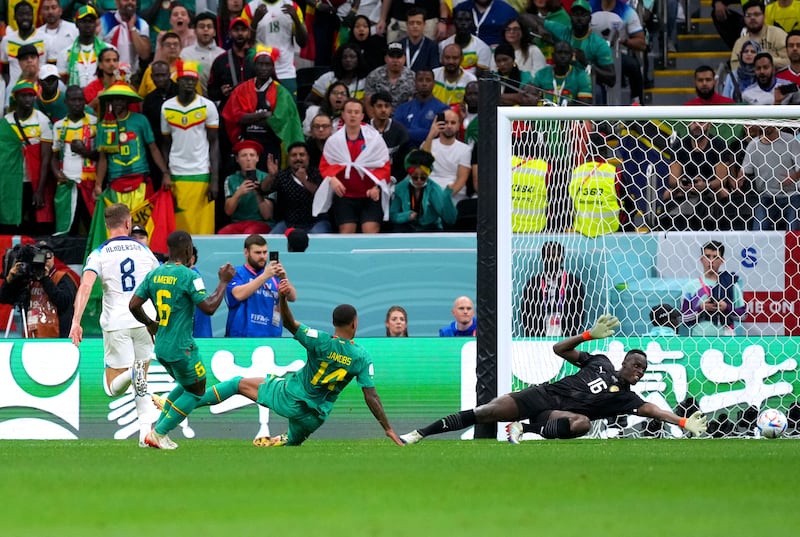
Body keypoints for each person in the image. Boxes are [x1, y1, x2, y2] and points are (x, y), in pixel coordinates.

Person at [401, 315, 709, 445]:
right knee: (485, 413)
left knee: (583, 425)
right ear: (625, 361)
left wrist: (682, 423)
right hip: (542, 396)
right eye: (636, 364)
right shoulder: (599, 362)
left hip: (557, 415)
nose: (639, 371)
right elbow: (559, 348)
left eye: (643, 369)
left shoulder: (628, 398)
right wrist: (588, 334)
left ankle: (525, 428)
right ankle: (419, 433)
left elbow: (655, 411)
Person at [178, 283, 404, 447]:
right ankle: (287, 439)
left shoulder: (320, 340)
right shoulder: (362, 356)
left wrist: (282, 298)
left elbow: (288, 323)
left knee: (238, 383)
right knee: (294, 442)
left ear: (333, 323)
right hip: (316, 418)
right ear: (355, 324)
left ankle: (186, 404)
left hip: (291, 398)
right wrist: (388, 428)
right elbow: (371, 396)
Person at [130, 230, 235, 449]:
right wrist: (223, 282)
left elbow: (133, 305)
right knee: (196, 391)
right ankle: (159, 433)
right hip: (181, 347)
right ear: (188, 250)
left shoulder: (154, 274)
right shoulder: (189, 276)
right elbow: (209, 307)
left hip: (162, 346)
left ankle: (157, 430)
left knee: (188, 385)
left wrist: (150, 323)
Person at [69, 203, 161, 446]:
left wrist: (76, 321)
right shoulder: (144, 251)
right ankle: (145, 435)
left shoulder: (99, 253)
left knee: (113, 388)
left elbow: (86, 285)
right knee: (142, 378)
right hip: (145, 321)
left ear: (106, 225)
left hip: (116, 322)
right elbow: (161, 283)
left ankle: (144, 433)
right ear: (129, 224)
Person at [221, 46, 304, 172]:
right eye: (260, 64)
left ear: (273, 67)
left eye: (267, 65)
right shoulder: (241, 89)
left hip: (271, 146)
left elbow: (279, 121)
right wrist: (264, 114)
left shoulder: (281, 92)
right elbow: (236, 117)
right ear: (254, 66)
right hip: (247, 147)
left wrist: (249, 117)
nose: (264, 68)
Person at [161, 60, 220, 235]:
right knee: (179, 228)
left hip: (201, 172)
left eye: (193, 80)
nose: (189, 83)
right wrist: (165, 172)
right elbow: (166, 144)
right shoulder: (166, 107)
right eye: (185, 79)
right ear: (177, 81)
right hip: (176, 173)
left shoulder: (207, 106)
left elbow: (214, 143)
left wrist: (214, 180)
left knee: (202, 228)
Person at [94, 82, 171, 214]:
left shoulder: (141, 120)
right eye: (115, 99)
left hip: (140, 181)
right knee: (118, 226)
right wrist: (98, 185)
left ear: (127, 101)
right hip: (115, 182)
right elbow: (103, 158)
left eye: (122, 99)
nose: (118, 102)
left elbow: (153, 149)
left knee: (140, 228)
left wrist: (165, 173)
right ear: (110, 101)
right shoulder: (103, 126)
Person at [317, 99, 392, 234]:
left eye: (356, 112)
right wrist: (332, 179)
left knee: (370, 231)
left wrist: (377, 186)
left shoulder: (374, 139)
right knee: (346, 232)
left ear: (362, 116)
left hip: (370, 195)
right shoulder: (334, 141)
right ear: (343, 115)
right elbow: (325, 165)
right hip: (345, 195)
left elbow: (384, 165)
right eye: (349, 112)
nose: (353, 115)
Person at [662, 121, 732, 231]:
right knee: (667, 193)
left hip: (710, 188)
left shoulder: (718, 145)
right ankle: (667, 227)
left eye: (701, 122)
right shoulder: (680, 145)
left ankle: (724, 227)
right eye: (693, 123)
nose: (696, 126)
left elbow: (721, 180)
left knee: (723, 191)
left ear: (709, 125)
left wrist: (706, 185)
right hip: (685, 189)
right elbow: (672, 179)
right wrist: (681, 185)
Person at [225, 234, 297, 337]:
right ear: (246, 252)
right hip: (242, 338)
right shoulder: (237, 273)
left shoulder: (273, 275)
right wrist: (265, 275)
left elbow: (292, 297)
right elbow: (238, 294)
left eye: (265, 252)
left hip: (272, 338)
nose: (262, 256)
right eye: (258, 253)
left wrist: (284, 278)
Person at [1, 240, 77, 338]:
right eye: (40, 256)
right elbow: (4, 298)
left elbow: (64, 303)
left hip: (56, 341)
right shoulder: (29, 280)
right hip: (31, 338)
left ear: (53, 257)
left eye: (48, 255)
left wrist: (45, 278)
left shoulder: (62, 277)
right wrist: (10, 279)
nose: (45, 259)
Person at [51, 84, 98, 236]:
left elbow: (101, 156)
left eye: (80, 100)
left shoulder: (94, 123)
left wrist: (84, 151)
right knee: (68, 229)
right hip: (67, 185)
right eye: (73, 100)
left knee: (92, 226)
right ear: (66, 102)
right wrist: (56, 173)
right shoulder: (59, 126)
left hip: (89, 184)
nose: (77, 103)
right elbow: (54, 156)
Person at [738, 123, 800, 230]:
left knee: (792, 232)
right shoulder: (753, 145)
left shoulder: (790, 140)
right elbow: (744, 170)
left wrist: (794, 177)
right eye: (761, 124)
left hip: (792, 195)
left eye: (767, 123)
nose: (764, 126)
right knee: (758, 231)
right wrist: (740, 178)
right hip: (767, 196)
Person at [262, 141, 332, 234]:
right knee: (272, 240)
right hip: (288, 223)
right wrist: (271, 176)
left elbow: (321, 196)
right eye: (294, 155)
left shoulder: (317, 173)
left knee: (318, 238)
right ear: (288, 158)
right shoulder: (282, 176)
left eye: (302, 155)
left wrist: (304, 181)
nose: (298, 158)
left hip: (316, 222)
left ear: (308, 157)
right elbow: (264, 190)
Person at [681, 241, 746, 337]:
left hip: (727, 340)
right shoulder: (690, 287)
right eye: (707, 256)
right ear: (701, 259)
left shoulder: (731, 284)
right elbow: (684, 319)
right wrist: (701, 308)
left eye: (715, 257)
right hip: (700, 339)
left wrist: (726, 308)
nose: (711, 261)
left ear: (722, 260)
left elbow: (743, 316)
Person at [521, 241, 585, 337]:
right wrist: (537, 336)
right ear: (543, 258)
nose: (553, 259)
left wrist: (568, 334)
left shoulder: (573, 282)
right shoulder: (533, 283)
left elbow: (579, 312)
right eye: (548, 255)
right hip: (538, 337)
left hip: (566, 336)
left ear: (562, 258)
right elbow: (526, 312)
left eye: (557, 255)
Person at [246, 0, 307, 94]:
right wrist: (255, 22)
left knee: (289, 107)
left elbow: (303, 43)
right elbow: (246, 43)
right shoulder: (250, 8)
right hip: (261, 73)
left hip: (286, 72)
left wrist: (297, 21)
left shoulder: (292, 6)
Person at [390, 148, 457, 231]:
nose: (419, 180)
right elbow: (392, 215)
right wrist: (407, 216)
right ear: (409, 174)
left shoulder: (434, 189)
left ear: (428, 175)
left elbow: (450, 220)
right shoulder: (400, 188)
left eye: (423, 177)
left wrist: (447, 196)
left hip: (430, 228)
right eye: (415, 177)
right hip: (407, 226)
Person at [219, 139, 273, 235]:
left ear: (257, 158)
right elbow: (228, 212)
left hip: (261, 223)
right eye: (244, 155)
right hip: (238, 223)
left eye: (252, 155)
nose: (248, 159)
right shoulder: (230, 179)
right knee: (222, 234)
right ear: (237, 159)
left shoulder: (267, 178)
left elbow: (267, 215)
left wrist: (258, 194)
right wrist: (238, 193)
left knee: (249, 233)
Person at [394, 68, 448, 148]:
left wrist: (409, 132)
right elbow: (397, 133)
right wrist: (430, 133)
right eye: (420, 80)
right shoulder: (402, 108)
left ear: (434, 83)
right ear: (414, 83)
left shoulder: (443, 108)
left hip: (433, 151)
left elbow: (441, 134)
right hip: (405, 151)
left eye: (428, 80)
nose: (424, 83)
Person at [56, 5, 106, 89]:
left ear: (95, 24)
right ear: (76, 24)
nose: (87, 25)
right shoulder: (65, 53)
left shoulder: (107, 51)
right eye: (83, 21)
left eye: (91, 21)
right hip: (75, 99)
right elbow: (61, 84)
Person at [730, 1, 788, 72]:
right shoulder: (739, 43)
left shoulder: (778, 34)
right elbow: (735, 68)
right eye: (748, 15)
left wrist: (763, 60)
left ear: (764, 16)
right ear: (744, 18)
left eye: (756, 14)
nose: (752, 18)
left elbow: (789, 61)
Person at [531, 40, 593, 105]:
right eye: (559, 53)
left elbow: (584, 105)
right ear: (553, 56)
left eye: (566, 53)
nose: (563, 56)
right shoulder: (541, 74)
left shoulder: (581, 75)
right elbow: (531, 96)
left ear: (571, 56)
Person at [98, 0, 152, 75]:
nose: (130, 2)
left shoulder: (141, 24)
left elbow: (144, 55)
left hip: (131, 75)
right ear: (116, 3)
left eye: (133, 0)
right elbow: (96, 49)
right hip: (108, 75)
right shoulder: (105, 21)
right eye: (125, 0)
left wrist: (132, 27)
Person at [179, 12, 225, 97]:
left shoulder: (222, 54)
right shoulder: (185, 54)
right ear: (195, 31)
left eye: (209, 27)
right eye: (201, 26)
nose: (206, 29)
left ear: (214, 32)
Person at [440, 8, 492, 76]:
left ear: (473, 23)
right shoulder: (443, 45)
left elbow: (479, 78)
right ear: (454, 22)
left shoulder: (483, 48)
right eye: (460, 20)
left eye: (467, 20)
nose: (463, 23)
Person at [398, 7, 440, 72]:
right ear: (406, 25)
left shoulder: (432, 46)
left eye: (418, 23)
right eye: (411, 23)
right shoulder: (399, 45)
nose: (415, 26)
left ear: (424, 24)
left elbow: (434, 70)